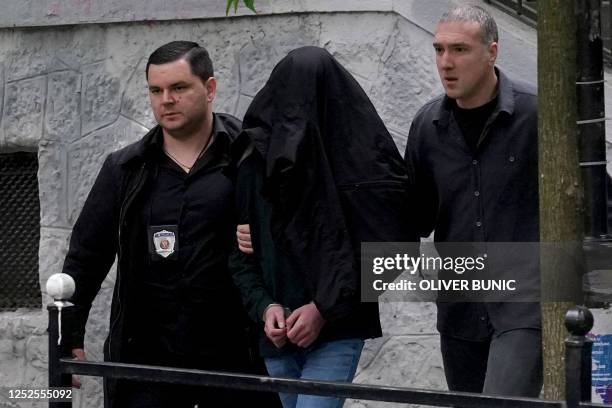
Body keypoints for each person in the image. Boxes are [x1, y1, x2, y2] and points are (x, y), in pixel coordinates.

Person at [61, 41, 279, 408]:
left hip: (236, 364)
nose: (166, 99)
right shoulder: (125, 169)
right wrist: (70, 335)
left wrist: (268, 237)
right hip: (147, 367)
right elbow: (86, 256)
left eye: (179, 88)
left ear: (209, 88)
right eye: (156, 90)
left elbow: (299, 226)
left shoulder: (250, 157)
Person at [229, 46, 416, 408]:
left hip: (338, 331)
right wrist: (266, 307)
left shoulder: (364, 167)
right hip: (278, 338)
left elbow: (393, 251)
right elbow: (239, 257)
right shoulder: (255, 162)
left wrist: (322, 309)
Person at [405, 5, 542, 397]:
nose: (446, 63)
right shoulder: (427, 128)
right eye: (439, 50)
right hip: (460, 310)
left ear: (492, 52)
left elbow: (594, 196)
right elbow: (412, 217)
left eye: (460, 50)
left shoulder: (537, 116)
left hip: (523, 305)